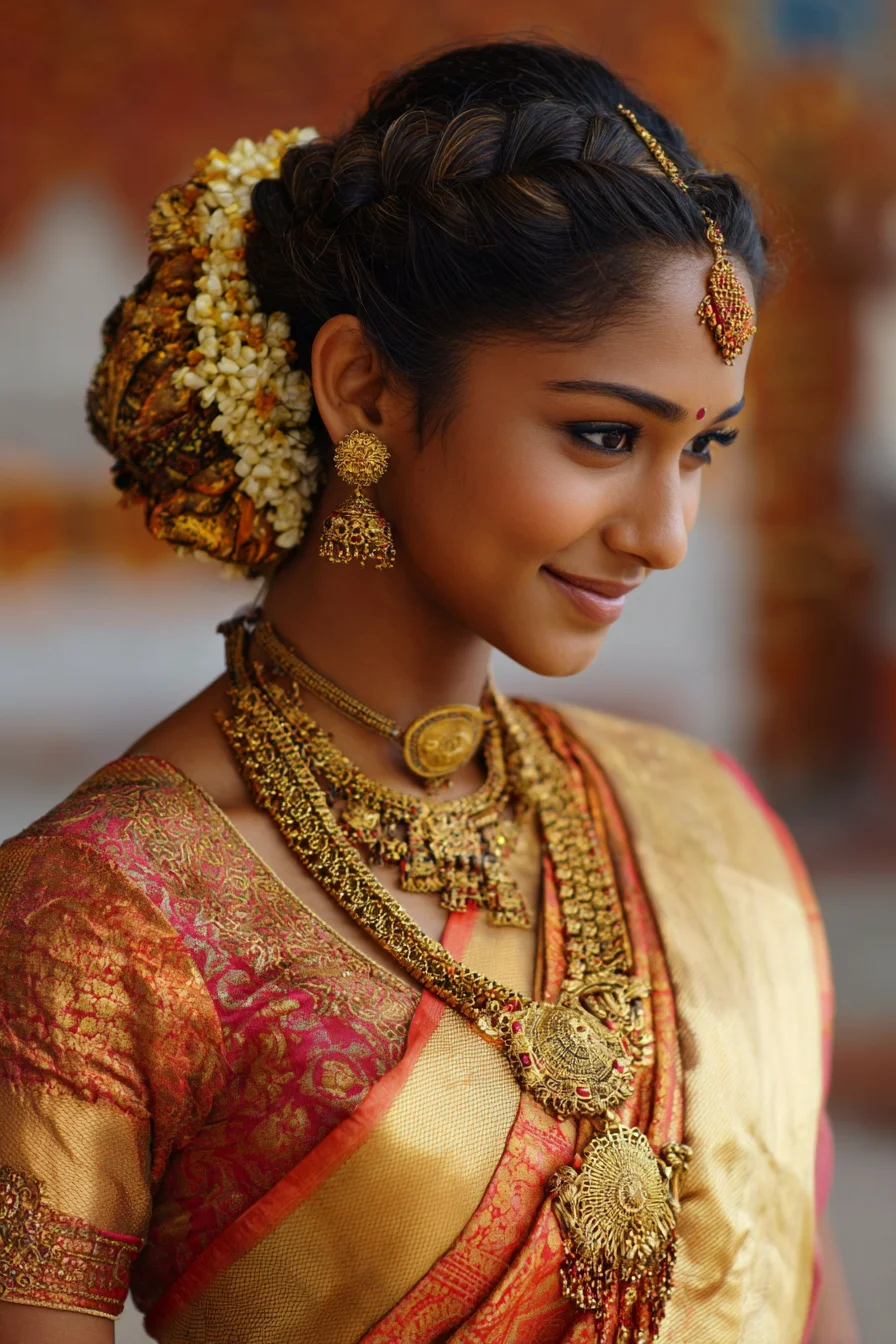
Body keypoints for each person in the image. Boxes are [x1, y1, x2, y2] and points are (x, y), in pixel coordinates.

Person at [0, 38, 857, 1344]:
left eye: (703, 450)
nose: (666, 531)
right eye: (605, 437)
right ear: (364, 390)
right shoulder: (106, 915)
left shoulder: (705, 822)